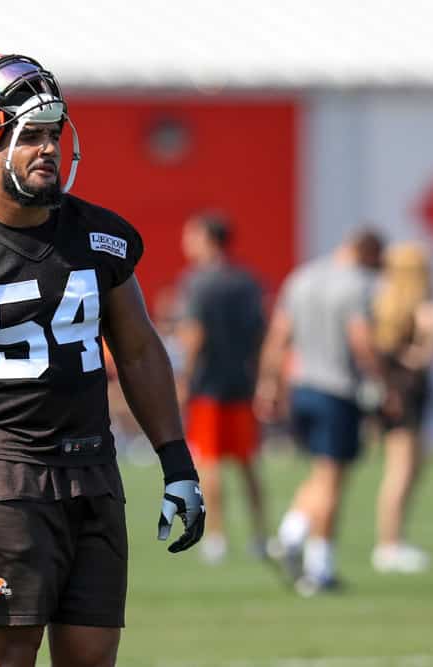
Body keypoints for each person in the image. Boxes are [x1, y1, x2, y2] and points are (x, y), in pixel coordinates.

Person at [0, 53, 205, 667]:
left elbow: (138, 351)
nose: (48, 149)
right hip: (2, 481)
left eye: (54, 134)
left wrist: (178, 464)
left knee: (92, 659)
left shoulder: (98, 236)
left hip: (93, 471)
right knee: (9, 658)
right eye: (29, 134)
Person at [254, 227, 385, 596]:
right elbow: (361, 338)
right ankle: (319, 567)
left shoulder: (303, 277)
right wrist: (381, 380)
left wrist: (269, 383)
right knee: (333, 479)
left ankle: (291, 534)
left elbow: (279, 334)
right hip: (337, 388)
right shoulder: (358, 284)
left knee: (320, 472)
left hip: (302, 386)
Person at [175, 211, 268, 564]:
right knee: (247, 463)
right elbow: (260, 334)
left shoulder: (197, 283)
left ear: (207, 239)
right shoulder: (247, 281)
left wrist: (183, 379)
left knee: (209, 462)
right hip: (241, 383)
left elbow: (194, 335)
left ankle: (217, 536)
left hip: (208, 386)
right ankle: (260, 535)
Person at [369, 242, 433, 573]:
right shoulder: (403, 308)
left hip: (405, 394)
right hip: (404, 395)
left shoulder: (387, 304)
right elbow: (414, 360)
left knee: (413, 467)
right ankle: (389, 543)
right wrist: (429, 336)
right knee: (401, 469)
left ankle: (395, 540)